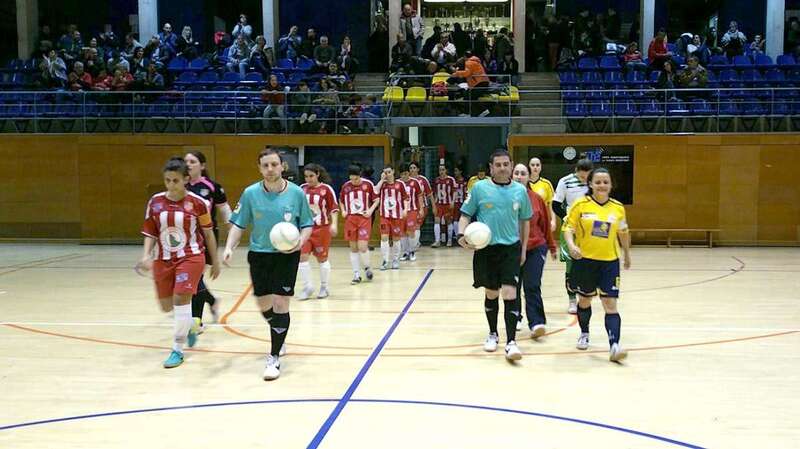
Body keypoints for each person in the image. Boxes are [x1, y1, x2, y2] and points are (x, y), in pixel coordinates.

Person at [223, 148, 314, 380]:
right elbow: (238, 224)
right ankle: (278, 333)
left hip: (286, 256)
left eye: (274, 164)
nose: (270, 169)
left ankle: (274, 357)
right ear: (260, 168)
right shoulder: (250, 193)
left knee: (281, 302)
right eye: (265, 165)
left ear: (282, 166)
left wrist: (300, 243)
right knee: (264, 304)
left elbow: (307, 224)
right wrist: (229, 247)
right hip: (259, 255)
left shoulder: (296, 193)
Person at [137, 157, 221, 368]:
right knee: (167, 307)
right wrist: (146, 255)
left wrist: (215, 261)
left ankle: (177, 349)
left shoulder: (198, 203)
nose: (171, 185)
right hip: (163, 259)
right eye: (167, 180)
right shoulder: (155, 202)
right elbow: (150, 232)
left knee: (181, 299)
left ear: (186, 180)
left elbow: (208, 234)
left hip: (191, 256)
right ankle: (189, 323)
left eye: (175, 180)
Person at [457, 150, 531, 361]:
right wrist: (461, 235)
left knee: (510, 292)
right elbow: (465, 215)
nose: (502, 168)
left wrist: (524, 249)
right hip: (486, 250)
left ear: (511, 165)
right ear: (491, 167)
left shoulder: (520, 191)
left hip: (510, 249)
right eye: (498, 165)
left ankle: (511, 342)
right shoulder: (479, 188)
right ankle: (492, 334)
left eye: (506, 164)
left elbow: (525, 221)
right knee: (491, 293)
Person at [564, 168, 631, 362]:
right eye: (598, 182)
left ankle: (614, 345)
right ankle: (584, 333)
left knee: (610, 303)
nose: (602, 185)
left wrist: (627, 254)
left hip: (609, 263)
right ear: (590, 184)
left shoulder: (618, 208)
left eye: (606, 182)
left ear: (611, 185)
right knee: (585, 301)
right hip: (585, 261)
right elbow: (568, 228)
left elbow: (623, 232)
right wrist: (572, 245)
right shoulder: (581, 205)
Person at [184, 151, 232, 329]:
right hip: (186, 237)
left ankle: (196, 321)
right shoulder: (181, 186)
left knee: (196, 277)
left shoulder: (212, 187)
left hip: (206, 236)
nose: (188, 164)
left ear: (202, 166)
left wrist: (232, 236)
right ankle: (211, 301)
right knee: (194, 277)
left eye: (193, 161)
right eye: (186, 161)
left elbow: (225, 211)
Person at [512, 163, 557, 336]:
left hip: (536, 247)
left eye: (523, 173)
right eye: (516, 173)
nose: (519, 176)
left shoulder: (537, 199)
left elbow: (545, 224)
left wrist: (552, 246)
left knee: (532, 285)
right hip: (512, 248)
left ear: (528, 177)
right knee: (513, 285)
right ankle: (515, 316)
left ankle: (537, 322)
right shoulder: (505, 197)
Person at [553, 158, 594, 315]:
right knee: (571, 265)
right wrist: (567, 218)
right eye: (582, 176)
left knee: (588, 264)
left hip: (589, 229)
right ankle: (571, 299)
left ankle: (584, 296)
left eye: (587, 176)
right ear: (576, 171)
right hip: (570, 228)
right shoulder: (565, 182)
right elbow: (556, 205)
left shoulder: (594, 181)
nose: (584, 179)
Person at [298, 163, 338, 300]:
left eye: (311, 176)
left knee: (322, 259)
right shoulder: (302, 189)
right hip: (305, 229)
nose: (308, 179)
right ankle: (307, 287)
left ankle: (324, 287)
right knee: (302, 256)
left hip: (322, 229)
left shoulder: (326, 189)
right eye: (306, 176)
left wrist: (334, 224)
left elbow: (333, 208)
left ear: (318, 174)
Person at [339, 164, 379, 284]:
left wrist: (370, 211)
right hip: (350, 219)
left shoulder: (368, 184)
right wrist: (343, 210)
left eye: (356, 179)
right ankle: (356, 274)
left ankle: (367, 267)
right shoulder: (346, 186)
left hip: (364, 219)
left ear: (360, 175)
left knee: (362, 246)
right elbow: (341, 200)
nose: (353, 182)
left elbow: (377, 200)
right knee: (353, 248)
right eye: (351, 179)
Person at [375, 165, 409, 270]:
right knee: (384, 237)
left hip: (397, 216)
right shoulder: (382, 184)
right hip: (384, 216)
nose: (387, 174)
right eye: (385, 172)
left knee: (396, 238)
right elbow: (375, 191)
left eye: (389, 172)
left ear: (393, 171)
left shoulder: (400, 184)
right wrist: (381, 180)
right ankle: (385, 261)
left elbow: (406, 198)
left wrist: (405, 209)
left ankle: (395, 260)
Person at [398, 163, 424, 262]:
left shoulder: (415, 182)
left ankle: (412, 251)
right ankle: (405, 252)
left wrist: (421, 209)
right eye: (402, 174)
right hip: (400, 211)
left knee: (411, 231)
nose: (404, 176)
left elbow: (420, 196)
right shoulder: (398, 183)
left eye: (405, 173)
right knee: (402, 232)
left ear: (408, 173)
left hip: (412, 210)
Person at [409, 161, 435, 250]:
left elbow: (430, 194)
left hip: (422, 206)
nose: (412, 170)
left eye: (414, 168)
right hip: (410, 207)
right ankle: (414, 243)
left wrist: (434, 206)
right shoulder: (407, 180)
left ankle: (415, 245)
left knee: (417, 225)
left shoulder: (423, 180)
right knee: (410, 227)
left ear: (418, 169)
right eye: (410, 168)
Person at [529, 157, 556, 231]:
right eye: (532, 165)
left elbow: (551, 204)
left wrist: (553, 221)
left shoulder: (546, 183)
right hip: (527, 218)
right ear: (529, 167)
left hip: (542, 219)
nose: (535, 167)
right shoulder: (524, 183)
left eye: (537, 165)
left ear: (541, 167)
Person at [431, 165, 456, 248]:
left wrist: (453, 201)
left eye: (443, 170)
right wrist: (434, 204)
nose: (441, 171)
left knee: (449, 221)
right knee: (437, 220)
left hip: (448, 204)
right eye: (440, 170)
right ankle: (437, 241)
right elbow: (435, 193)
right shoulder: (436, 180)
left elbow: (455, 191)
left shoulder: (451, 179)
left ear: (446, 170)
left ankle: (449, 240)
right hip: (439, 204)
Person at [451, 166, 467, 243]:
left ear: (460, 171)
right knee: (455, 219)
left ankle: (463, 236)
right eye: (454, 171)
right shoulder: (453, 181)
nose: (455, 173)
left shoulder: (465, 182)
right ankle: (457, 236)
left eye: (456, 171)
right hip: (455, 203)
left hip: (463, 203)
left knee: (463, 219)